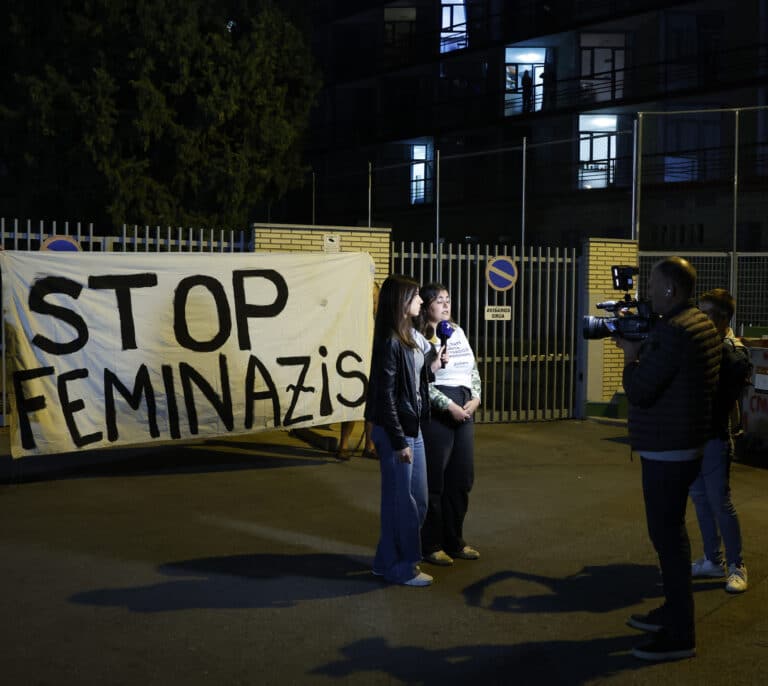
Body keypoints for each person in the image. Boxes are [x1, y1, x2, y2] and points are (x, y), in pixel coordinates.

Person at [616, 257, 720, 661]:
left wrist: (630, 354)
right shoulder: (697, 322)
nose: (648, 293)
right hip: (685, 442)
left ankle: (680, 634)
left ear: (671, 291)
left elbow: (640, 390)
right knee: (671, 537)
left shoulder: (675, 332)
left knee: (669, 541)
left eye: (653, 286)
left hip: (668, 448)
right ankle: (673, 613)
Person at [364, 274, 446, 586]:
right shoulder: (390, 341)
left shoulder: (408, 337)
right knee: (406, 503)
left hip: (411, 427)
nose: (421, 302)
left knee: (413, 500)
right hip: (396, 431)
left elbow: (410, 381)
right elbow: (385, 395)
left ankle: (385, 561)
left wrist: (432, 368)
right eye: (415, 297)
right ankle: (403, 568)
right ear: (401, 302)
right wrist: (399, 441)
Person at [689, 288, 750, 593]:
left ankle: (737, 565)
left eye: (705, 313)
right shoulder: (703, 344)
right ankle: (713, 560)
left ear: (722, 318)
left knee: (720, 503)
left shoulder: (732, 350)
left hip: (714, 438)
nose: (698, 318)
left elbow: (727, 386)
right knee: (700, 500)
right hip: (694, 436)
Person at [417, 283, 481, 567]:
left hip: (465, 405)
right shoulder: (419, 336)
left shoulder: (457, 330)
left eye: (448, 300)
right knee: (435, 481)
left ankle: (455, 541)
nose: (445, 305)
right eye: (438, 301)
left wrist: (477, 397)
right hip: (439, 409)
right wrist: (448, 406)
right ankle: (430, 544)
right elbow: (419, 382)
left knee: (462, 478)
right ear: (426, 306)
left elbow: (472, 367)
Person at [337, 281, 381, 460]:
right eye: (371, 296)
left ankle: (369, 446)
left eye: (375, 297)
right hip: (355, 367)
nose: (373, 300)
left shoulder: (380, 319)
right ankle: (343, 444)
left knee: (372, 408)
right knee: (352, 404)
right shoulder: (354, 318)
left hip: (374, 366)